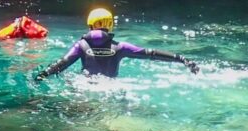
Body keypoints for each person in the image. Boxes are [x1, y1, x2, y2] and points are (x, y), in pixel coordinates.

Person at [34, 7, 199, 80]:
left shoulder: (81, 45)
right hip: (109, 88)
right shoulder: (120, 47)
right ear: (110, 24)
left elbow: (63, 63)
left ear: (90, 24)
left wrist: (43, 75)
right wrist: (181, 58)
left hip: (84, 86)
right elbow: (151, 54)